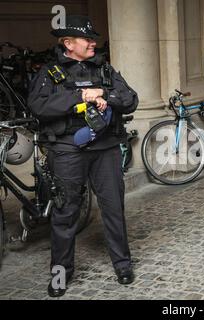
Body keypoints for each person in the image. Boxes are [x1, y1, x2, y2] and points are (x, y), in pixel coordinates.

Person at [28, 15, 139, 297]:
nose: (93, 43)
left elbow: (130, 99)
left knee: (113, 208)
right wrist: (81, 97)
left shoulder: (104, 69)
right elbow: (39, 107)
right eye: (87, 39)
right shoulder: (50, 73)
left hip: (106, 150)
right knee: (66, 213)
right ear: (68, 43)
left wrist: (103, 93)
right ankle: (60, 275)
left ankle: (123, 264)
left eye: (93, 39)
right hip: (67, 151)